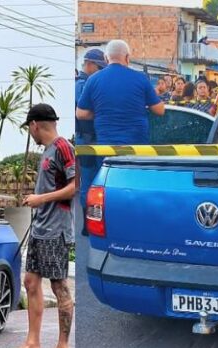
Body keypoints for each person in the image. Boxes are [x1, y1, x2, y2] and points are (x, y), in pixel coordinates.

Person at [2, 103, 75, 348]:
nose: (30, 133)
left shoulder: (63, 147)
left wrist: (41, 198)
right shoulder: (47, 151)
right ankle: (32, 345)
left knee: (59, 286)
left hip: (56, 229)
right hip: (40, 228)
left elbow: (75, 186)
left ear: (35, 125)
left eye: (29, 128)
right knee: (31, 282)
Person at [75, 39, 165, 233]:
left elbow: (81, 113)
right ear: (127, 57)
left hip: (106, 148)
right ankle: (134, 225)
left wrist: (100, 111)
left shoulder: (94, 80)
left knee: (108, 187)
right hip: (137, 147)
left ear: (107, 58)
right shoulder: (140, 79)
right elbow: (160, 110)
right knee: (135, 185)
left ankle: (107, 226)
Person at [75, 48, 106, 146]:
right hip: (84, 137)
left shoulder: (93, 83)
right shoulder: (81, 84)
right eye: (100, 68)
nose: (103, 71)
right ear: (88, 64)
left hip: (94, 136)